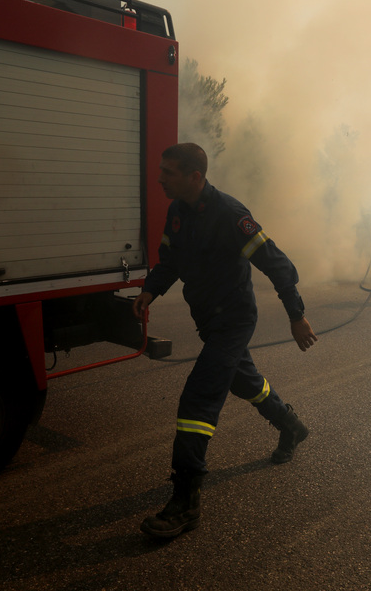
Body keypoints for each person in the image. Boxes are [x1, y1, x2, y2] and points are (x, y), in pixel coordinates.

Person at [132, 143, 319, 538]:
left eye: (168, 172)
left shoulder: (231, 215)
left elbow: (278, 263)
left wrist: (296, 315)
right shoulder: (177, 211)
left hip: (233, 320)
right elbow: (170, 261)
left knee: (199, 397)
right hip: (207, 320)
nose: (160, 177)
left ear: (195, 176)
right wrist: (151, 289)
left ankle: (186, 502)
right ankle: (291, 425)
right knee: (244, 380)